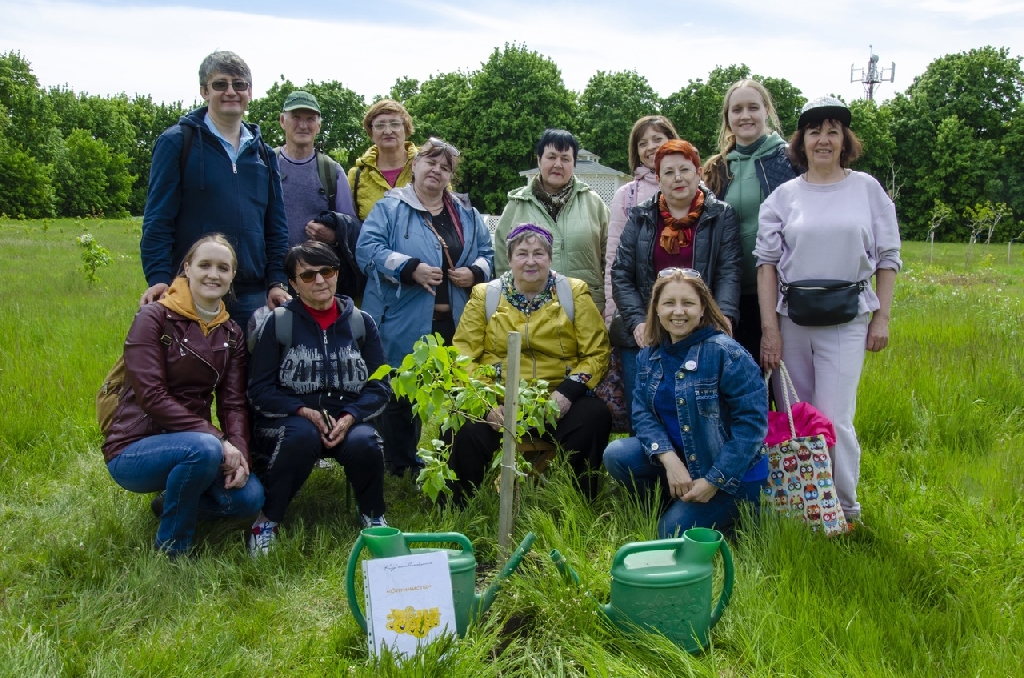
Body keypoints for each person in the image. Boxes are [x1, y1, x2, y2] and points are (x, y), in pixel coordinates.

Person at [756, 96, 901, 522]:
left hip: (847, 317)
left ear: (844, 140)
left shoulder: (867, 189)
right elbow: (766, 265)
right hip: (792, 319)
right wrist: (770, 330)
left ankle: (844, 507)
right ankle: (804, 503)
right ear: (801, 141)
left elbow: (888, 257)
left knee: (835, 418)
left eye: (833, 130)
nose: (823, 139)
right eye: (815, 131)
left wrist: (883, 316)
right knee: (798, 416)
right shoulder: (783, 197)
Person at [103, 235, 264, 559]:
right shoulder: (154, 317)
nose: (213, 275)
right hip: (135, 446)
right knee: (202, 449)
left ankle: (174, 501)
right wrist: (219, 441)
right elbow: (152, 396)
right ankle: (173, 549)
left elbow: (232, 403)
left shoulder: (231, 331)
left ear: (233, 276)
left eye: (223, 268)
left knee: (250, 497)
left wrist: (240, 454)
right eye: (204, 265)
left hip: (197, 445)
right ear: (187, 268)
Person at [356, 138, 495, 477]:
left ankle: (450, 461)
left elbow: (489, 257)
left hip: (456, 321)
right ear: (414, 165)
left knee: (459, 393)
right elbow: (367, 250)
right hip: (402, 318)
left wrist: (474, 272)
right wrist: (408, 267)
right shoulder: (389, 208)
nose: (437, 170)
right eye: (430, 162)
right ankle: (401, 464)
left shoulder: (467, 214)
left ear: (451, 177)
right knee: (401, 395)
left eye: (445, 167)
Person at [449, 225, 612, 504]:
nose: (531, 261)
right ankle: (461, 506)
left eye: (539, 253)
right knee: (462, 424)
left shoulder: (574, 293)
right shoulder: (484, 296)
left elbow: (597, 352)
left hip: (555, 403)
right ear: (509, 259)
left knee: (594, 416)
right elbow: (463, 355)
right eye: (522, 253)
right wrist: (486, 403)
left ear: (550, 258)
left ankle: (578, 501)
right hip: (499, 403)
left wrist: (567, 393)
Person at [247, 242, 391, 556]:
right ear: (294, 284)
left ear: (337, 273)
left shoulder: (361, 322)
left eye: (327, 271)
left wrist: (351, 415)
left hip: (348, 416)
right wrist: (303, 410)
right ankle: (268, 519)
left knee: (365, 443)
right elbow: (259, 390)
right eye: (308, 275)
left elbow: (380, 386)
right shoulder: (279, 323)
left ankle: (373, 515)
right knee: (300, 438)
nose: (320, 281)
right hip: (293, 417)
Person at [604, 269, 767, 538]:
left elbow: (751, 428)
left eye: (688, 303)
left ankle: (741, 518)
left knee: (669, 533)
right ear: (656, 308)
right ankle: (673, 500)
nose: (678, 311)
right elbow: (643, 413)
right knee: (617, 455)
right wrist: (670, 461)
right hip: (684, 461)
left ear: (703, 308)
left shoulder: (727, 354)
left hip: (733, 476)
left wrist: (714, 480)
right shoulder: (650, 356)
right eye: (669, 303)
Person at [140, 51, 289, 331]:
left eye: (239, 84)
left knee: (251, 374)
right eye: (220, 84)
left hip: (252, 293)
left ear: (250, 92)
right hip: (193, 288)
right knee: (192, 373)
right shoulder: (177, 143)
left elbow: (276, 225)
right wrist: (159, 277)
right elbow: (158, 219)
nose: (231, 91)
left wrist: (276, 280)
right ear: (204, 91)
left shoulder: (264, 154)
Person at [610, 139, 742, 419]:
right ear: (658, 178)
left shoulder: (722, 215)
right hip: (648, 331)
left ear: (698, 173)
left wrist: (723, 317)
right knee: (647, 413)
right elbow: (621, 273)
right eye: (668, 172)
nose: (677, 178)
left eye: (685, 169)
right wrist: (637, 322)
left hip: (701, 328)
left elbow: (729, 271)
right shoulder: (640, 216)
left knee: (701, 414)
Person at [703, 80, 798, 363]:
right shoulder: (716, 169)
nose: (745, 116)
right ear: (728, 118)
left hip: (782, 295)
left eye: (753, 108)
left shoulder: (790, 160)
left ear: (766, 111)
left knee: (780, 379)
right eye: (737, 109)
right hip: (730, 296)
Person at [494, 129, 609, 310]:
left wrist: (609, 306)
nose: (558, 164)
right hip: (532, 310)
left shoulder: (593, 203)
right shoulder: (516, 205)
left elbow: (611, 259)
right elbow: (502, 262)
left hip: (588, 308)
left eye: (565, 158)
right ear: (539, 160)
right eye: (551, 157)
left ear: (574, 164)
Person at [276, 90, 364, 299]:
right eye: (296, 118)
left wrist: (333, 236)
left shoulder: (332, 171)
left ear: (319, 125)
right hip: (272, 279)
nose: (303, 125)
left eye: (310, 119)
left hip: (317, 281)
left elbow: (351, 225)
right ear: (282, 121)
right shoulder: (265, 164)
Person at [604, 115, 679, 325]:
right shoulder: (626, 195)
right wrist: (612, 313)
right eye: (642, 143)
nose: (650, 147)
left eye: (657, 139)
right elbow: (614, 258)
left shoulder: (695, 188)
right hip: (640, 309)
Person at [348, 99, 417, 221]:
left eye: (395, 124)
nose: (388, 131)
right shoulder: (356, 175)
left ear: (406, 128)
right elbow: (350, 223)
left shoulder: (428, 166)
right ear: (371, 132)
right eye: (380, 125)